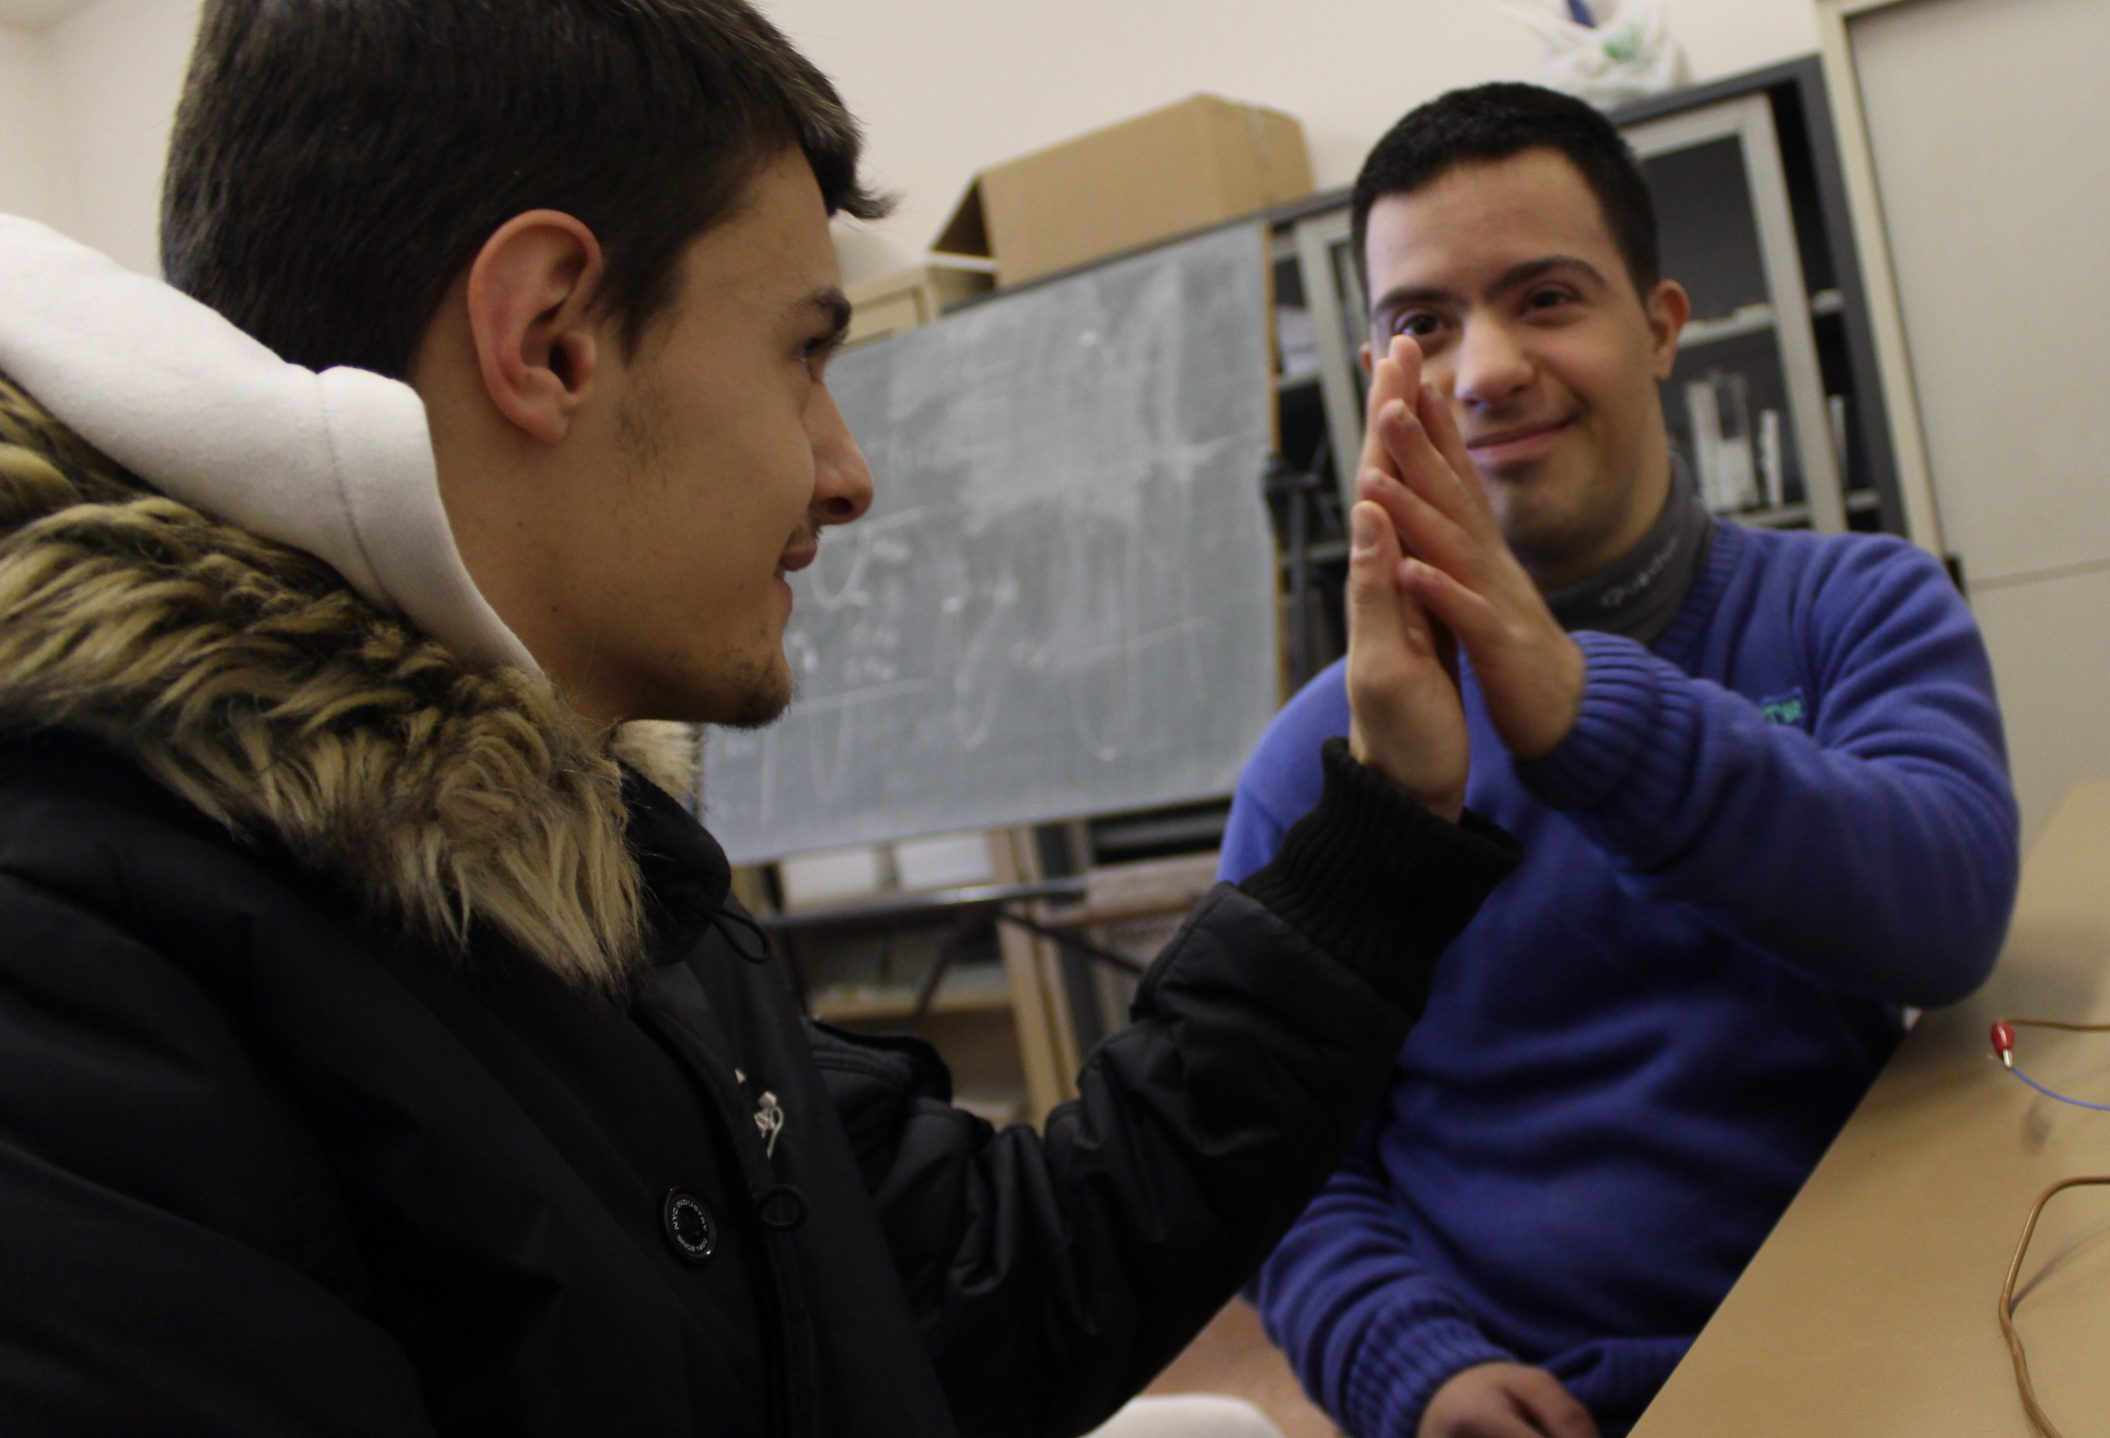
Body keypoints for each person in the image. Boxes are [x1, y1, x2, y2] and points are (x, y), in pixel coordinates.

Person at [0, 5, 1522, 1436]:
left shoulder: (576, 865)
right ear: (547, 341)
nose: (848, 471)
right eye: (802, 354)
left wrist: (1380, 827)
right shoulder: (70, 985)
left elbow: (981, 1290)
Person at [1222, 83, 2019, 1438]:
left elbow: (1943, 913)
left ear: (1656, 328)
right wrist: (1406, 1362)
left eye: (1542, 298)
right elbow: (1274, 1148)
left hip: (1888, 1341)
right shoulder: (1316, 755)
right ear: (1377, 373)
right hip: (1533, 1402)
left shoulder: (1853, 609)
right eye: (1421, 322)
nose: (1480, 370)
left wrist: (1583, 708)